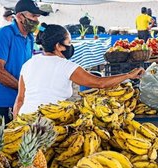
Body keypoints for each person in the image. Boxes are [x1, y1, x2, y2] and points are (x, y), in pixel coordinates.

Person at [13, 23, 145, 116]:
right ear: (58, 46)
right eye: (69, 43)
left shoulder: (28, 64)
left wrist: (15, 125)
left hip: (25, 118)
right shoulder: (65, 66)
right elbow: (99, 83)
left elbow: (20, 99)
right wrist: (129, 75)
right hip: (48, 122)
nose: (71, 47)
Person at [0, 0, 48, 124]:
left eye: (37, 17)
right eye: (33, 16)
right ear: (20, 16)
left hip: (20, 100)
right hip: (2, 103)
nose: (36, 20)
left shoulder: (30, 37)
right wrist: (22, 89)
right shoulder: (4, 33)